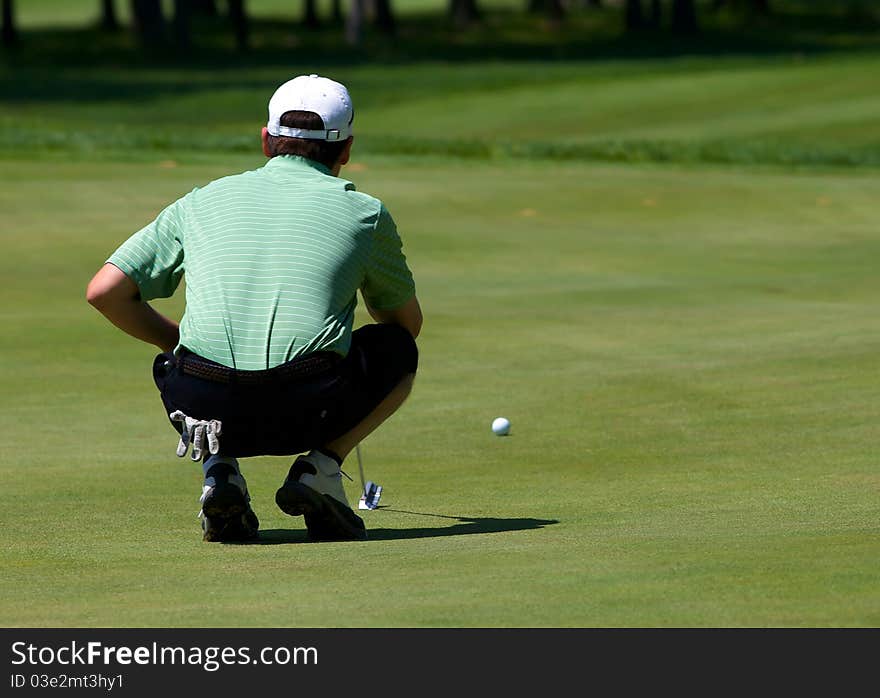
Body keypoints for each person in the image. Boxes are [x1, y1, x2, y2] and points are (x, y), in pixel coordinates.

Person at [86, 74, 422, 544]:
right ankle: (319, 470)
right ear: (345, 149)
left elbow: (104, 291)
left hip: (207, 406)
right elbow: (404, 328)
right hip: (309, 410)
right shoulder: (365, 212)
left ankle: (220, 474)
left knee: (172, 364)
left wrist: (177, 342)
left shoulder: (199, 201)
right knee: (395, 350)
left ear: (266, 141)